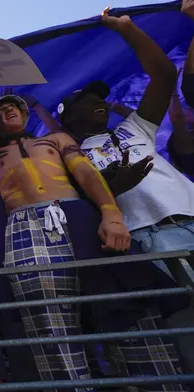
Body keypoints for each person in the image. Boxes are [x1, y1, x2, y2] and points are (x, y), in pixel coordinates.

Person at [59, 9, 194, 378]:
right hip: (147, 235)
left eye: (99, 97)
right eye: (87, 100)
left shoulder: (136, 127)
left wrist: (126, 28)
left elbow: (164, 75)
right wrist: (117, 186)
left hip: (191, 218)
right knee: (184, 320)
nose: (98, 102)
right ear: (67, 116)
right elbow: (83, 205)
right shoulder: (68, 154)